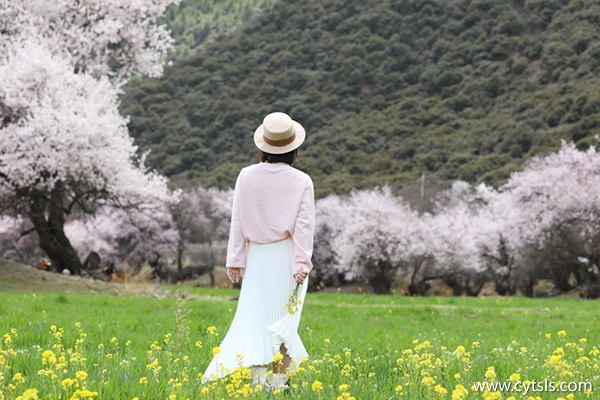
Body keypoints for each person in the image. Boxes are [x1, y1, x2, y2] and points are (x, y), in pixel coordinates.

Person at [202, 112, 315, 389]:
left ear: (262, 146)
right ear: (293, 149)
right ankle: (276, 384)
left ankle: (256, 384)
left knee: (256, 321)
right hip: (287, 257)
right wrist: (301, 265)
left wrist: (235, 260)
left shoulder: (246, 176)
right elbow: (304, 227)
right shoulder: (302, 181)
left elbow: (237, 220)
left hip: (256, 258)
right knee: (283, 324)